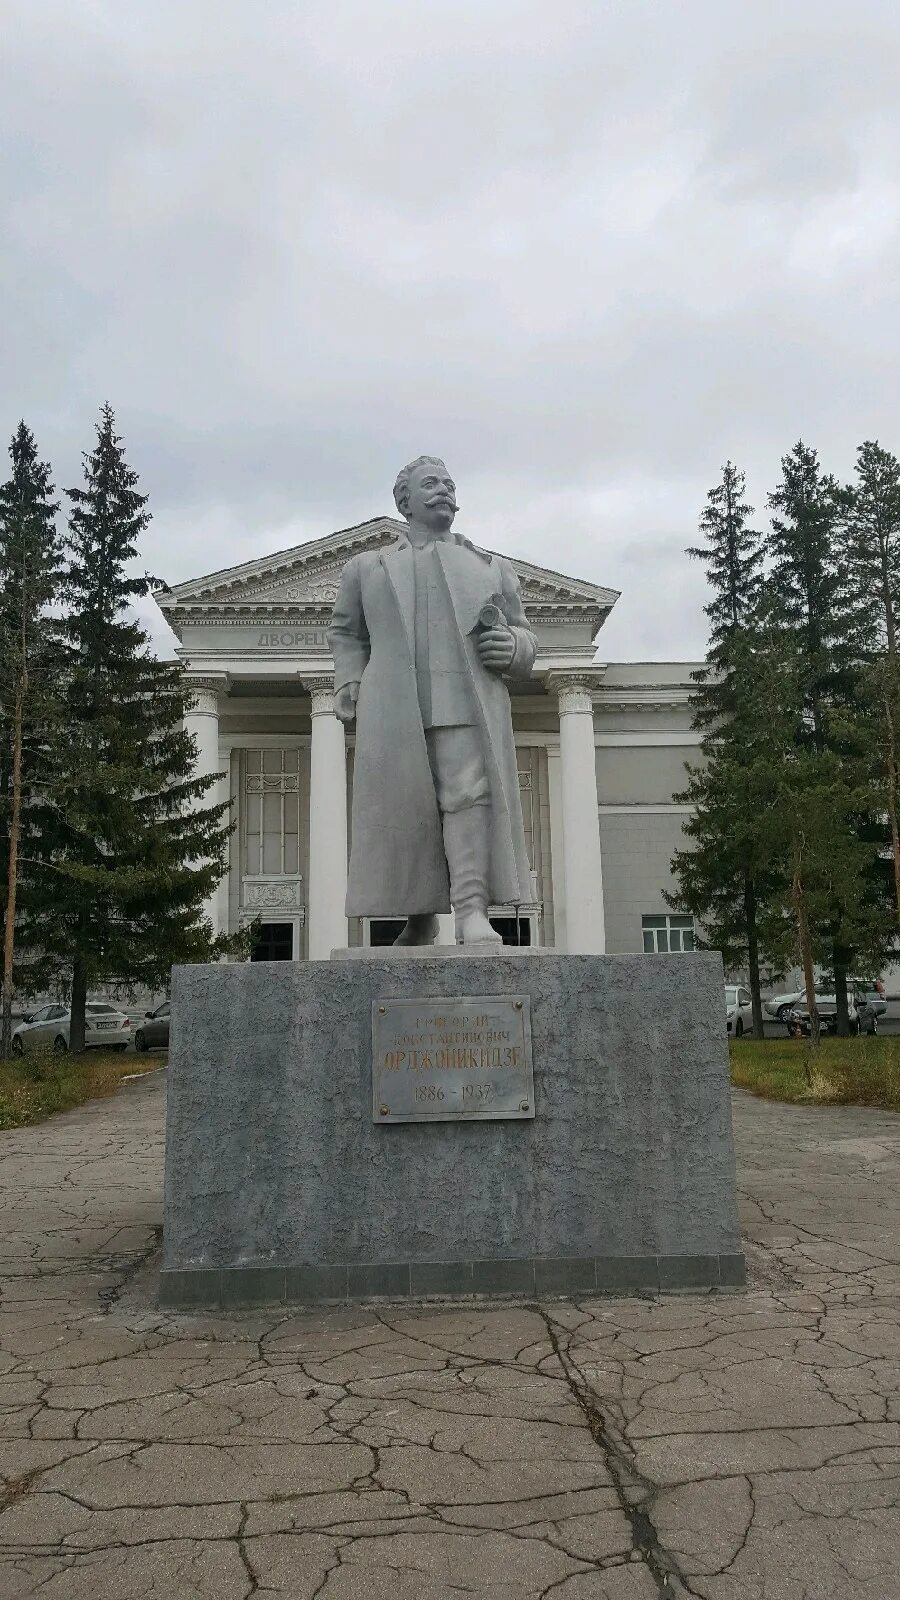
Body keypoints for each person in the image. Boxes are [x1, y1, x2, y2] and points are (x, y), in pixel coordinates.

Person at [329, 456, 536, 945]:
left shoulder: (490, 568)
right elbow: (345, 633)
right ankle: (420, 917)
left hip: (464, 699)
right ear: (404, 502)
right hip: (394, 704)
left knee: (468, 797)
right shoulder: (366, 569)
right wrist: (348, 680)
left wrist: (514, 648)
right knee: (406, 807)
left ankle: (470, 911)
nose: (443, 490)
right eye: (430, 484)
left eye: (449, 483)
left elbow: (524, 633)